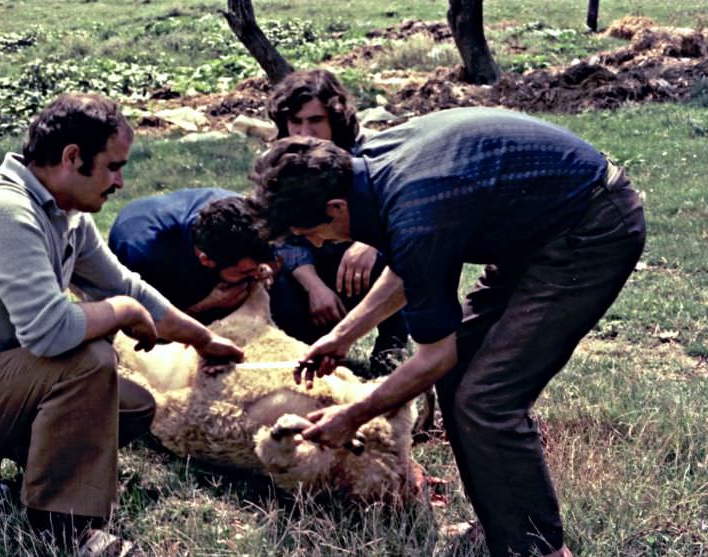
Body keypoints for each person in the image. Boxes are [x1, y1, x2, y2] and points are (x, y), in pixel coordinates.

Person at [250, 107, 646, 557]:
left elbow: (434, 355)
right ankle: (506, 528)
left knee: (488, 399)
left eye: (312, 233)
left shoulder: (416, 212)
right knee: (460, 379)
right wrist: (343, 335)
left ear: (336, 208)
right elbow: (408, 267)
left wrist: (353, 416)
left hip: (592, 227)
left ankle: (542, 551)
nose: (318, 244)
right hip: (537, 228)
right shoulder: (365, 171)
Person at [0, 93, 244, 554]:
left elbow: (123, 284)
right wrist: (122, 311)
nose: (120, 181)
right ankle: (62, 527)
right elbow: (50, 331)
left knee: (130, 409)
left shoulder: (64, 213)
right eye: (113, 166)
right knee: (87, 361)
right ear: (72, 157)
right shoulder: (2, 211)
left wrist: (204, 340)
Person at [266, 69, 407, 376]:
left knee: (400, 258)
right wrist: (314, 285)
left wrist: (369, 242)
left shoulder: (368, 154)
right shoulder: (278, 163)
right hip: (309, 268)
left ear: (335, 119)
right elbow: (280, 235)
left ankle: (390, 347)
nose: (305, 131)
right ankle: (301, 346)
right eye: (295, 121)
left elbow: (398, 212)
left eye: (316, 120)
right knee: (274, 279)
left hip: (360, 259)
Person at [108, 190, 273, 324]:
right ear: (206, 260)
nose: (258, 275)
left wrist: (267, 266)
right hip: (154, 261)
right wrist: (204, 306)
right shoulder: (142, 255)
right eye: (246, 271)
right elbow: (142, 324)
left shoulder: (244, 214)